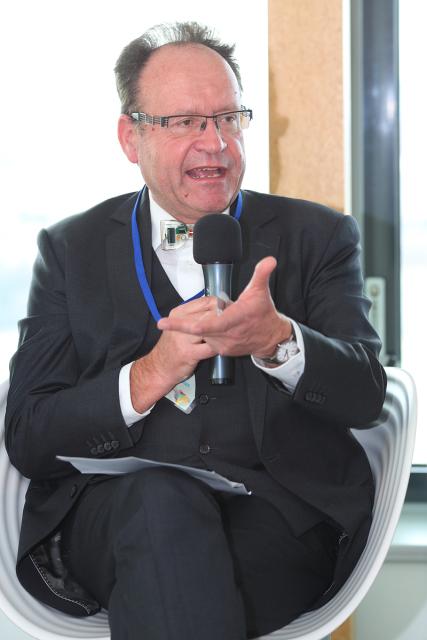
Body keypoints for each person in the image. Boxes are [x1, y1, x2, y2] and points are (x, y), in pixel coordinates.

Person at [5, 21, 386, 640]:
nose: (215, 144)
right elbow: (27, 435)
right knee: (160, 508)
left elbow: (367, 394)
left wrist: (277, 341)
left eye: (229, 118)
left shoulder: (317, 237)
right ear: (132, 137)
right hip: (112, 520)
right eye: (184, 122)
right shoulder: (70, 249)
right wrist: (150, 374)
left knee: (177, 584)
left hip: (275, 520)